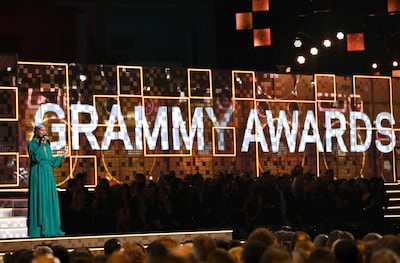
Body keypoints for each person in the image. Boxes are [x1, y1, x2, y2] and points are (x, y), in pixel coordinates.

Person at [27, 123, 69, 237]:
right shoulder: (31, 144)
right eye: (42, 130)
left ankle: (51, 228)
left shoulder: (47, 146)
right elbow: (35, 157)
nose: (44, 132)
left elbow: (50, 161)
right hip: (38, 173)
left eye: (45, 130)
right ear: (36, 131)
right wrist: (41, 144)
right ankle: (38, 230)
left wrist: (62, 157)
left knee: (49, 198)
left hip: (47, 173)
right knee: (40, 198)